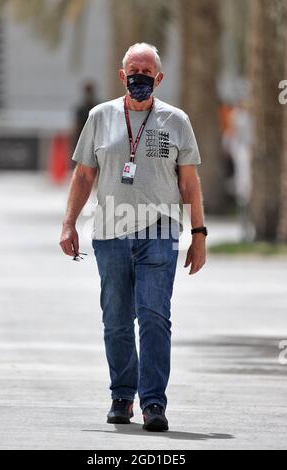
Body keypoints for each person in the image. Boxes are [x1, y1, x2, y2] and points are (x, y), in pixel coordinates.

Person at [59, 43, 207, 432]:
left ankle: (154, 403)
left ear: (158, 78)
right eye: (132, 70)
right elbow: (84, 174)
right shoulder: (100, 116)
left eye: (147, 71)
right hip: (109, 233)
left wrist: (199, 234)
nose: (139, 76)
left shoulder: (176, 121)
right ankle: (122, 396)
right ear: (121, 75)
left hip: (159, 233)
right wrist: (69, 223)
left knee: (155, 318)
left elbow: (189, 182)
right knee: (117, 320)